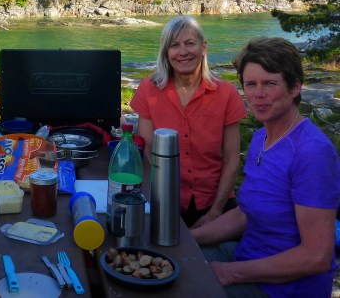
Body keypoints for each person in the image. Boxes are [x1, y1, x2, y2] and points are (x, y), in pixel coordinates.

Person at [191, 37, 340, 297]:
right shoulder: (262, 138)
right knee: (170, 260)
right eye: (250, 84)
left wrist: (231, 273)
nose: (258, 95)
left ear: (295, 87)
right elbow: (245, 214)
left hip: (283, 288)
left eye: (270, 84)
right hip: (246, 256)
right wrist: (188, 239)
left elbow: (317, 255)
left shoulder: (311, 152)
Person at [130, 15, 247, 228]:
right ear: (166, 52)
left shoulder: (227, 94)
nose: (183, 52)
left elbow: (231, 158)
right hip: (164, 200)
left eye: (190, 43)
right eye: (174, 45)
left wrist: (215, 213)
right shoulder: (148, 89)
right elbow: (148, 152)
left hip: (216, 201)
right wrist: (161, 204)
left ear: (203, 47)